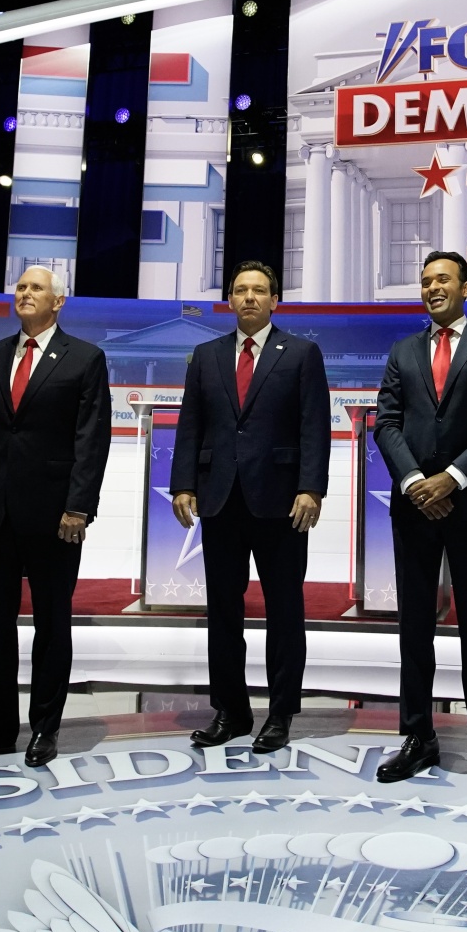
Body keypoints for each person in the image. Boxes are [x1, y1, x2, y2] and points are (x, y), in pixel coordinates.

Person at [0, 266, 110, 768]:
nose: (25, 294)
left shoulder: (85, 358)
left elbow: (91, 439)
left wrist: (79, 506)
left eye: (36, 288)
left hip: (56, 517)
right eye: (20, 287)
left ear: (58, 302)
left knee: (52, 624)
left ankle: (44, 729)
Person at [372, 250, 467, 796]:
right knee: (414, 625)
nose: (432, 288)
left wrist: (453, 478)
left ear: (466, 285)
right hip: (415, 507)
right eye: (425, 281)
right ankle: (418, 737)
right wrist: (416, 482)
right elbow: (385, 423)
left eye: (442, 279)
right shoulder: (402, 351)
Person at [171, 261, 329, 754]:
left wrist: (312, 488)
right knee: (223, 612)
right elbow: (190, 425)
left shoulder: (301, 353)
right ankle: (231, 711)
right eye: (240, 290)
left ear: (275, 300)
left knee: (285, 611)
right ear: (230, 300)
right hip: (219, 501)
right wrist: (182, 485)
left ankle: (280, 713)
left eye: (259, 290)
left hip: (282, 503)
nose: (249, 298)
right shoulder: (206, 355)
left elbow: (314, 427)